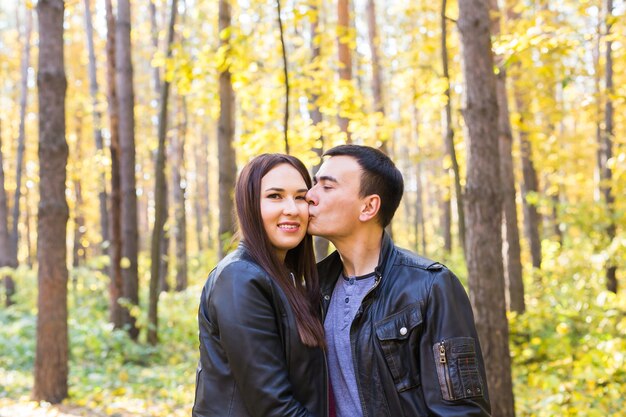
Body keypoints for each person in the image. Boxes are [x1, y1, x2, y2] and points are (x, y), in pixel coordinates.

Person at [306, 144, 491, 417]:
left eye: (327, 187)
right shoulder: (312, 287)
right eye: (314, 184)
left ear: (368, 207)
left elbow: (462, 410)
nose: (309, 196)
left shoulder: (430, 287)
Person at [192, 154, 327, 417]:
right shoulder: (240, 278)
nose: (292, 209)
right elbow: (273, 407)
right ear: (249, 205)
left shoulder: (286, 279)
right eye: (275, 196)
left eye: (300, 197)